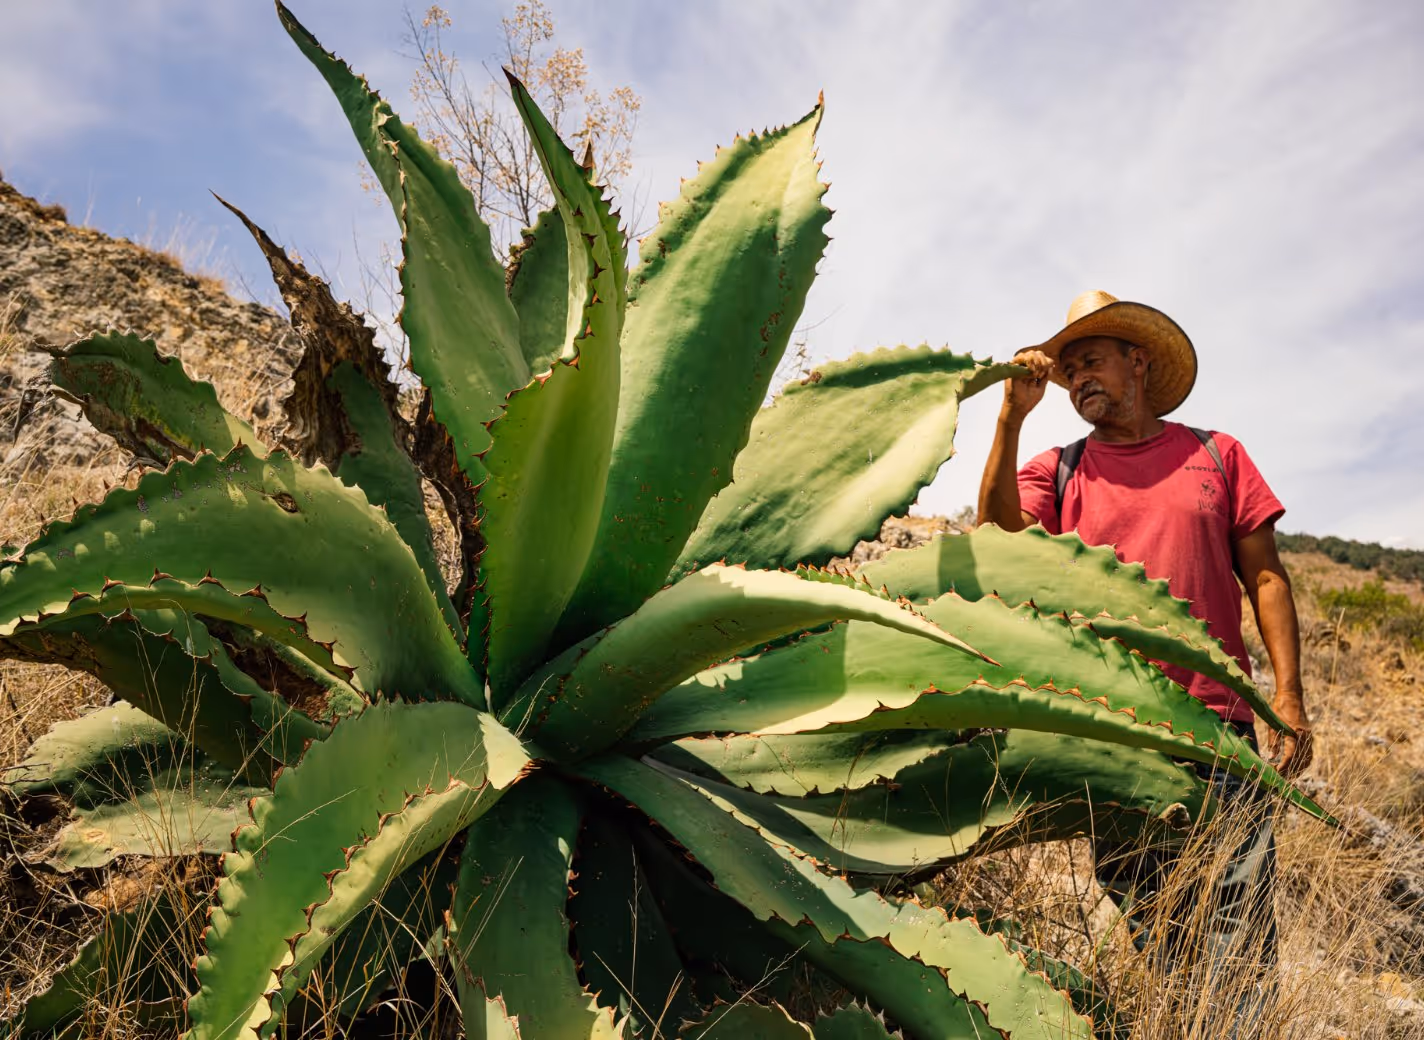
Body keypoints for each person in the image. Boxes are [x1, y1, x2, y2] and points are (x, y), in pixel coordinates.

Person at [976, 290, 1314, 1035]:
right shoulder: (1058, 470)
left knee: (1241, 934)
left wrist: (1287, 695)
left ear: (1139, 360)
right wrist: (1011, 416)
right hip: (1114, 735)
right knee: (1157, 924)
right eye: (1068, 372)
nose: (1077, 380)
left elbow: (1264, 577)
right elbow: (994, 539)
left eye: (1090, 361)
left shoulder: (1216, 455)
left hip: (1221, 732)